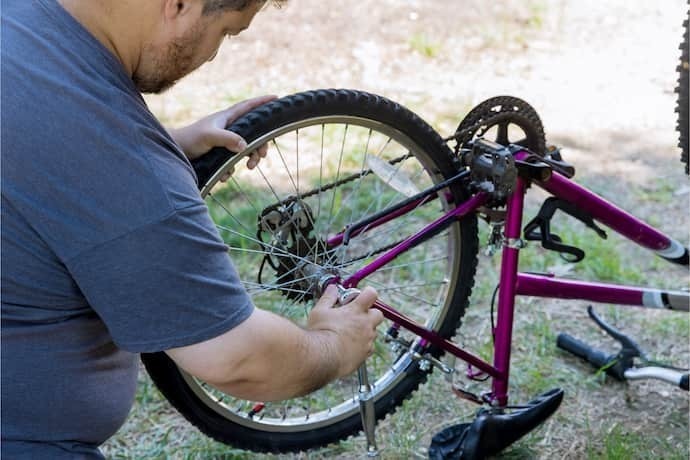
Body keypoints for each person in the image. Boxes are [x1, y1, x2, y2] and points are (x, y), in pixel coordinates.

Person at [0, 1, 384, 458]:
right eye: (226, 32)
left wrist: (168, 144)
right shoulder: (106, 150)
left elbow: (42, 160)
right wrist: (336, 346)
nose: (213, 54)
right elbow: (234, 356)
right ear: (180, 4)